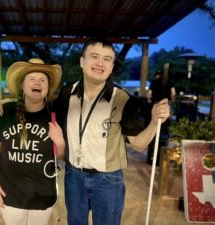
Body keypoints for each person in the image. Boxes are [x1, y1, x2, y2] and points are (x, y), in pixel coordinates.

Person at [53, 37, 170, 225]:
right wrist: (13, 105)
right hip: (74, 175)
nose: (100, 63)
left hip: (108, 180)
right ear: (82, 61)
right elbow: (46, 115)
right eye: (94, 56)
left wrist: (154, 121)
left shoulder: (122, 99)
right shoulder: (68, 93)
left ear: (112, 65)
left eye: (107, 59)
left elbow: (139, 144)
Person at [0, 58, 65, 225]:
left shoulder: (56, 116)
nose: (38, 83)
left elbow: (61, 159)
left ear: (48, 88)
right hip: (10, 192)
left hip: (43, 193)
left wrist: (60, 143)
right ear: (22, 85)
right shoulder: (6, 112)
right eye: (32, 79)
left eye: (43, 80)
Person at [146, 70, 176, 165]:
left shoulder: (154, 82)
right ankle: (162, 159)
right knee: (164, 133)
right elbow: (173, 94)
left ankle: (151, 158)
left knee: (153, 131)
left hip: (155, 106)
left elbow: (149, 95)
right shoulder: (170, 82)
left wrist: (150, 103)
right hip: (165, 107)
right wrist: (172, 103)